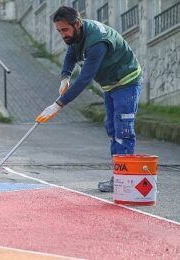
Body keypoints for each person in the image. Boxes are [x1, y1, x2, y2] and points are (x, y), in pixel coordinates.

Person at [36, 6, 142, 192]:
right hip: (110, 85)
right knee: (112, 129)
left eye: (65, 30)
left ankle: (124, 181)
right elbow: (71, 52)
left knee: (123, 131)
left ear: (77, 23)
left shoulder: (97, 42)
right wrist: (65, 76)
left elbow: (85, 78)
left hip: (127, 82)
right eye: (59, 31)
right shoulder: (77, 35)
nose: (63, 35)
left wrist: (59, 104)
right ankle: (119, 177)